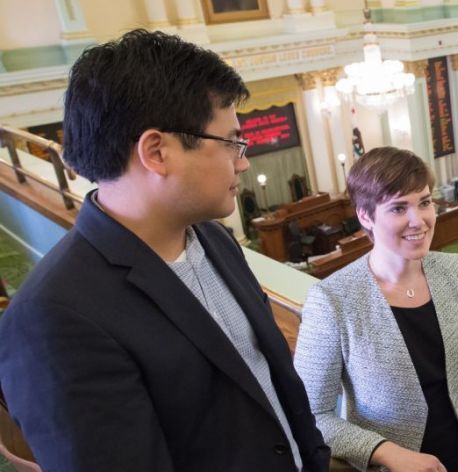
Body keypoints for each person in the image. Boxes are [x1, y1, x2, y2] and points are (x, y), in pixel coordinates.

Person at [0, 30, 329, 472]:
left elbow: (271, 383)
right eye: (231, 142)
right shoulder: (50, 319)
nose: (244, 160)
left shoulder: (213, 238)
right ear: (156, 151)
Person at [294, 147, 458, 472]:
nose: (420, 220)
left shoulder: (454, 270)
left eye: (425, 202)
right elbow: (310, 414)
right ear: (365, 216)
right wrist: (385, 451)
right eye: (399, 208)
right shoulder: (332, 300)